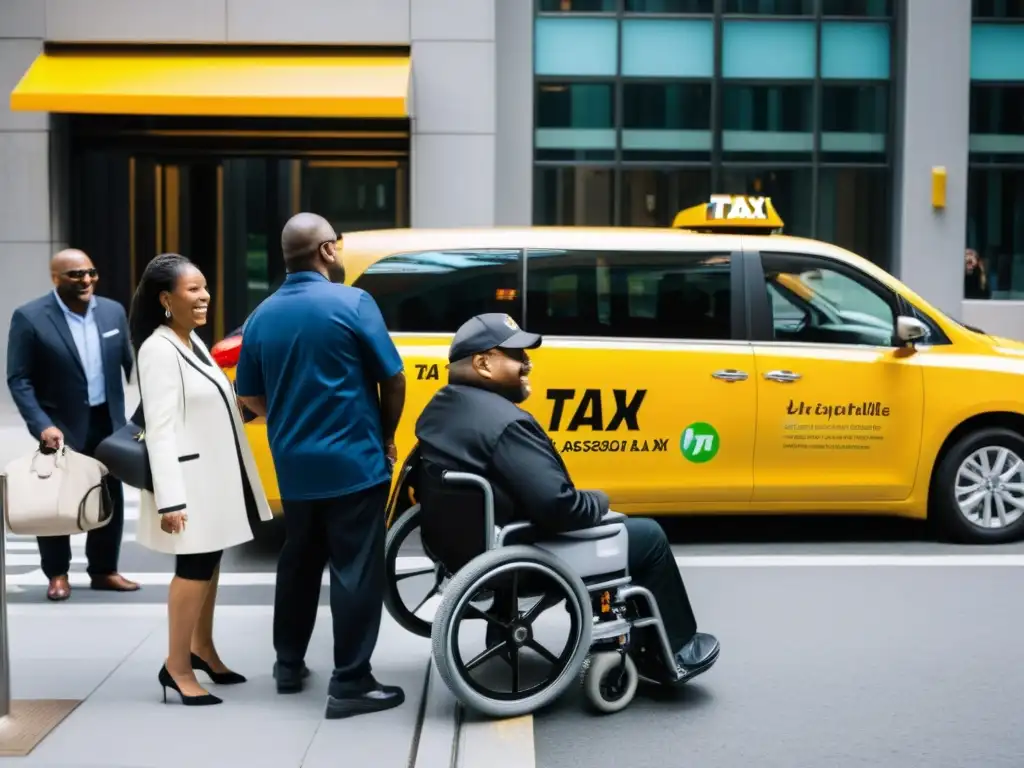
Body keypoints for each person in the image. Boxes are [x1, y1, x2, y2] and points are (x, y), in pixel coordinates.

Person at [413, 313, 720, 684]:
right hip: (516, 555)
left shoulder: (441, 408)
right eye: (517, 355)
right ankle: (673, 650)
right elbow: (560, 507)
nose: (528, 363)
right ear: (483, 363)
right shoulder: (507, 423)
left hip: (463, 548)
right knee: (647, 536)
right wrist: (600, 500)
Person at [234, 212, 407, 720]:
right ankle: (351, 681)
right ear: (327, 251)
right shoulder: (352, 302)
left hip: (295, 464)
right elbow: (393, 379)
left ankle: (288, 665)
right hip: (354, 460)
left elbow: (248, 393)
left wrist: (286, 419)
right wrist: (387, 436)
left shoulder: (262, 314)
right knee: (354, 569)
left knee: (299, 560)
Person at [130, 253, 274, 706]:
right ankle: (176, 666)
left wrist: (253, 406)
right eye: (193, 289)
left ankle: (202, 649)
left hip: (212, 480)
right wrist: (171, 501)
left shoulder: (192, 342)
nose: (204, 295)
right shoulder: (158, 349)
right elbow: (161, 427)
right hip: (189, 483)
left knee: (209, 565)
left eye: (205, 286)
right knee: (193, 569)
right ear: (166, 298)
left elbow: (214, 405)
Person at [6, 248, 139, 601]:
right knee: (54, 499)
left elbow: (128, 362)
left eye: (91, 272)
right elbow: (19, 379)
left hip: (107, 422)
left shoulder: (113, 311)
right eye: (76, 274)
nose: (86, 280)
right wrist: (41, 424)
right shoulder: (30, 317)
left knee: (110, 494)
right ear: (56, 278)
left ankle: (104, 570)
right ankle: (57, 574)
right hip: (59, 425)